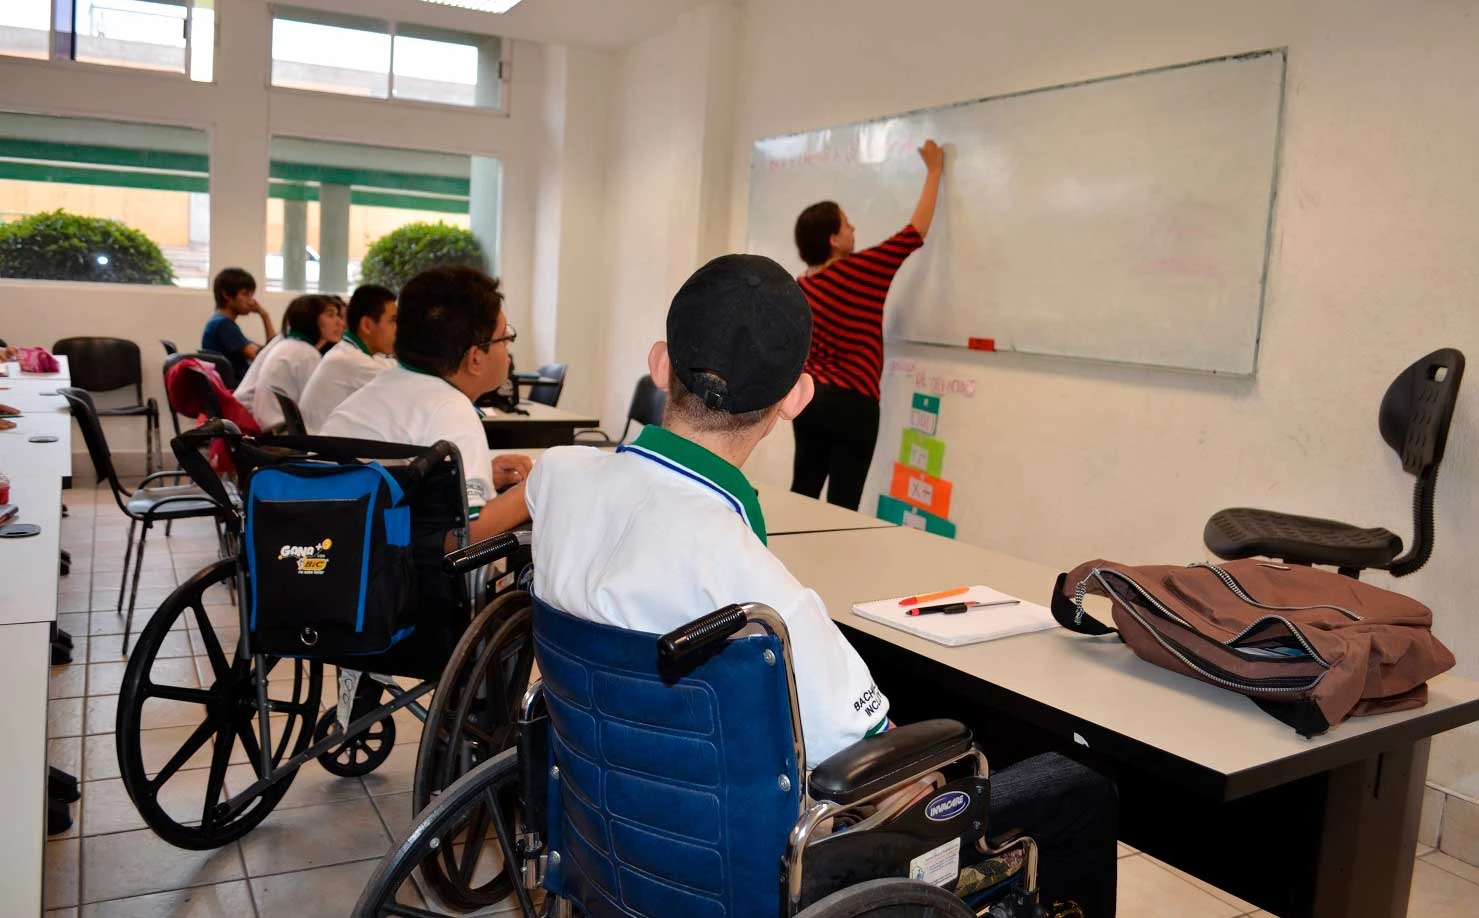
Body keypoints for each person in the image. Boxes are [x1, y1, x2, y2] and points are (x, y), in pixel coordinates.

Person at [525, 254, 1117, 916]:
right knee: (1076, 785)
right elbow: (880, 764)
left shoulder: (556, 479)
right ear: (797, 399)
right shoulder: (760, 601)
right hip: (747, 881)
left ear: (659, 365)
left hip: (607, 848)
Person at [321, 266, 532, 542]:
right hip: (373, 562)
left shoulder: (389, 383)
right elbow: (463, 535)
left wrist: (474, 477)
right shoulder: (450, 408)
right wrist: (535, 488)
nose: (508, 350)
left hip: (326, 547)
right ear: (475, 358)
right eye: (505, 338)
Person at [789, 139, 946, 511]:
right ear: (833, 239)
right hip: (853, 405)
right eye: (847, 223)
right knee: (843, 505)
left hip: (809, 401)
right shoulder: (861, 270)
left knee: (802, 492)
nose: (853, 228)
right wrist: (935, 170)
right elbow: (915, 232)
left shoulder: (800, 287)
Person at [299, 284, 397, 432]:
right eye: (392, 321)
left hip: (318, 438)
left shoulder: (348, 351)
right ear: (367, 325)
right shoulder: (350, 360)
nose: (397, 329)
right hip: (323, 444)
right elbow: (400, 387)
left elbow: (387, 365)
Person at [240, 294, 343, 431]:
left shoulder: (289, 345)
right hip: (284, 435)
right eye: (331, 315)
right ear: (311, 319)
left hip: (272, 431)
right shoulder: (306, 354)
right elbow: (318, 410)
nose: (340, 322)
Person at [201, 268, 274, 385]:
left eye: (251, 295)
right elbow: (263, 358)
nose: (251, 302)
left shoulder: (218, 322)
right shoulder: (224, 325)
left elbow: (269, 350)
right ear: (226, 295)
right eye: (246, 294)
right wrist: (265, 316)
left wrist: (264, 315)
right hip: (234, 390)